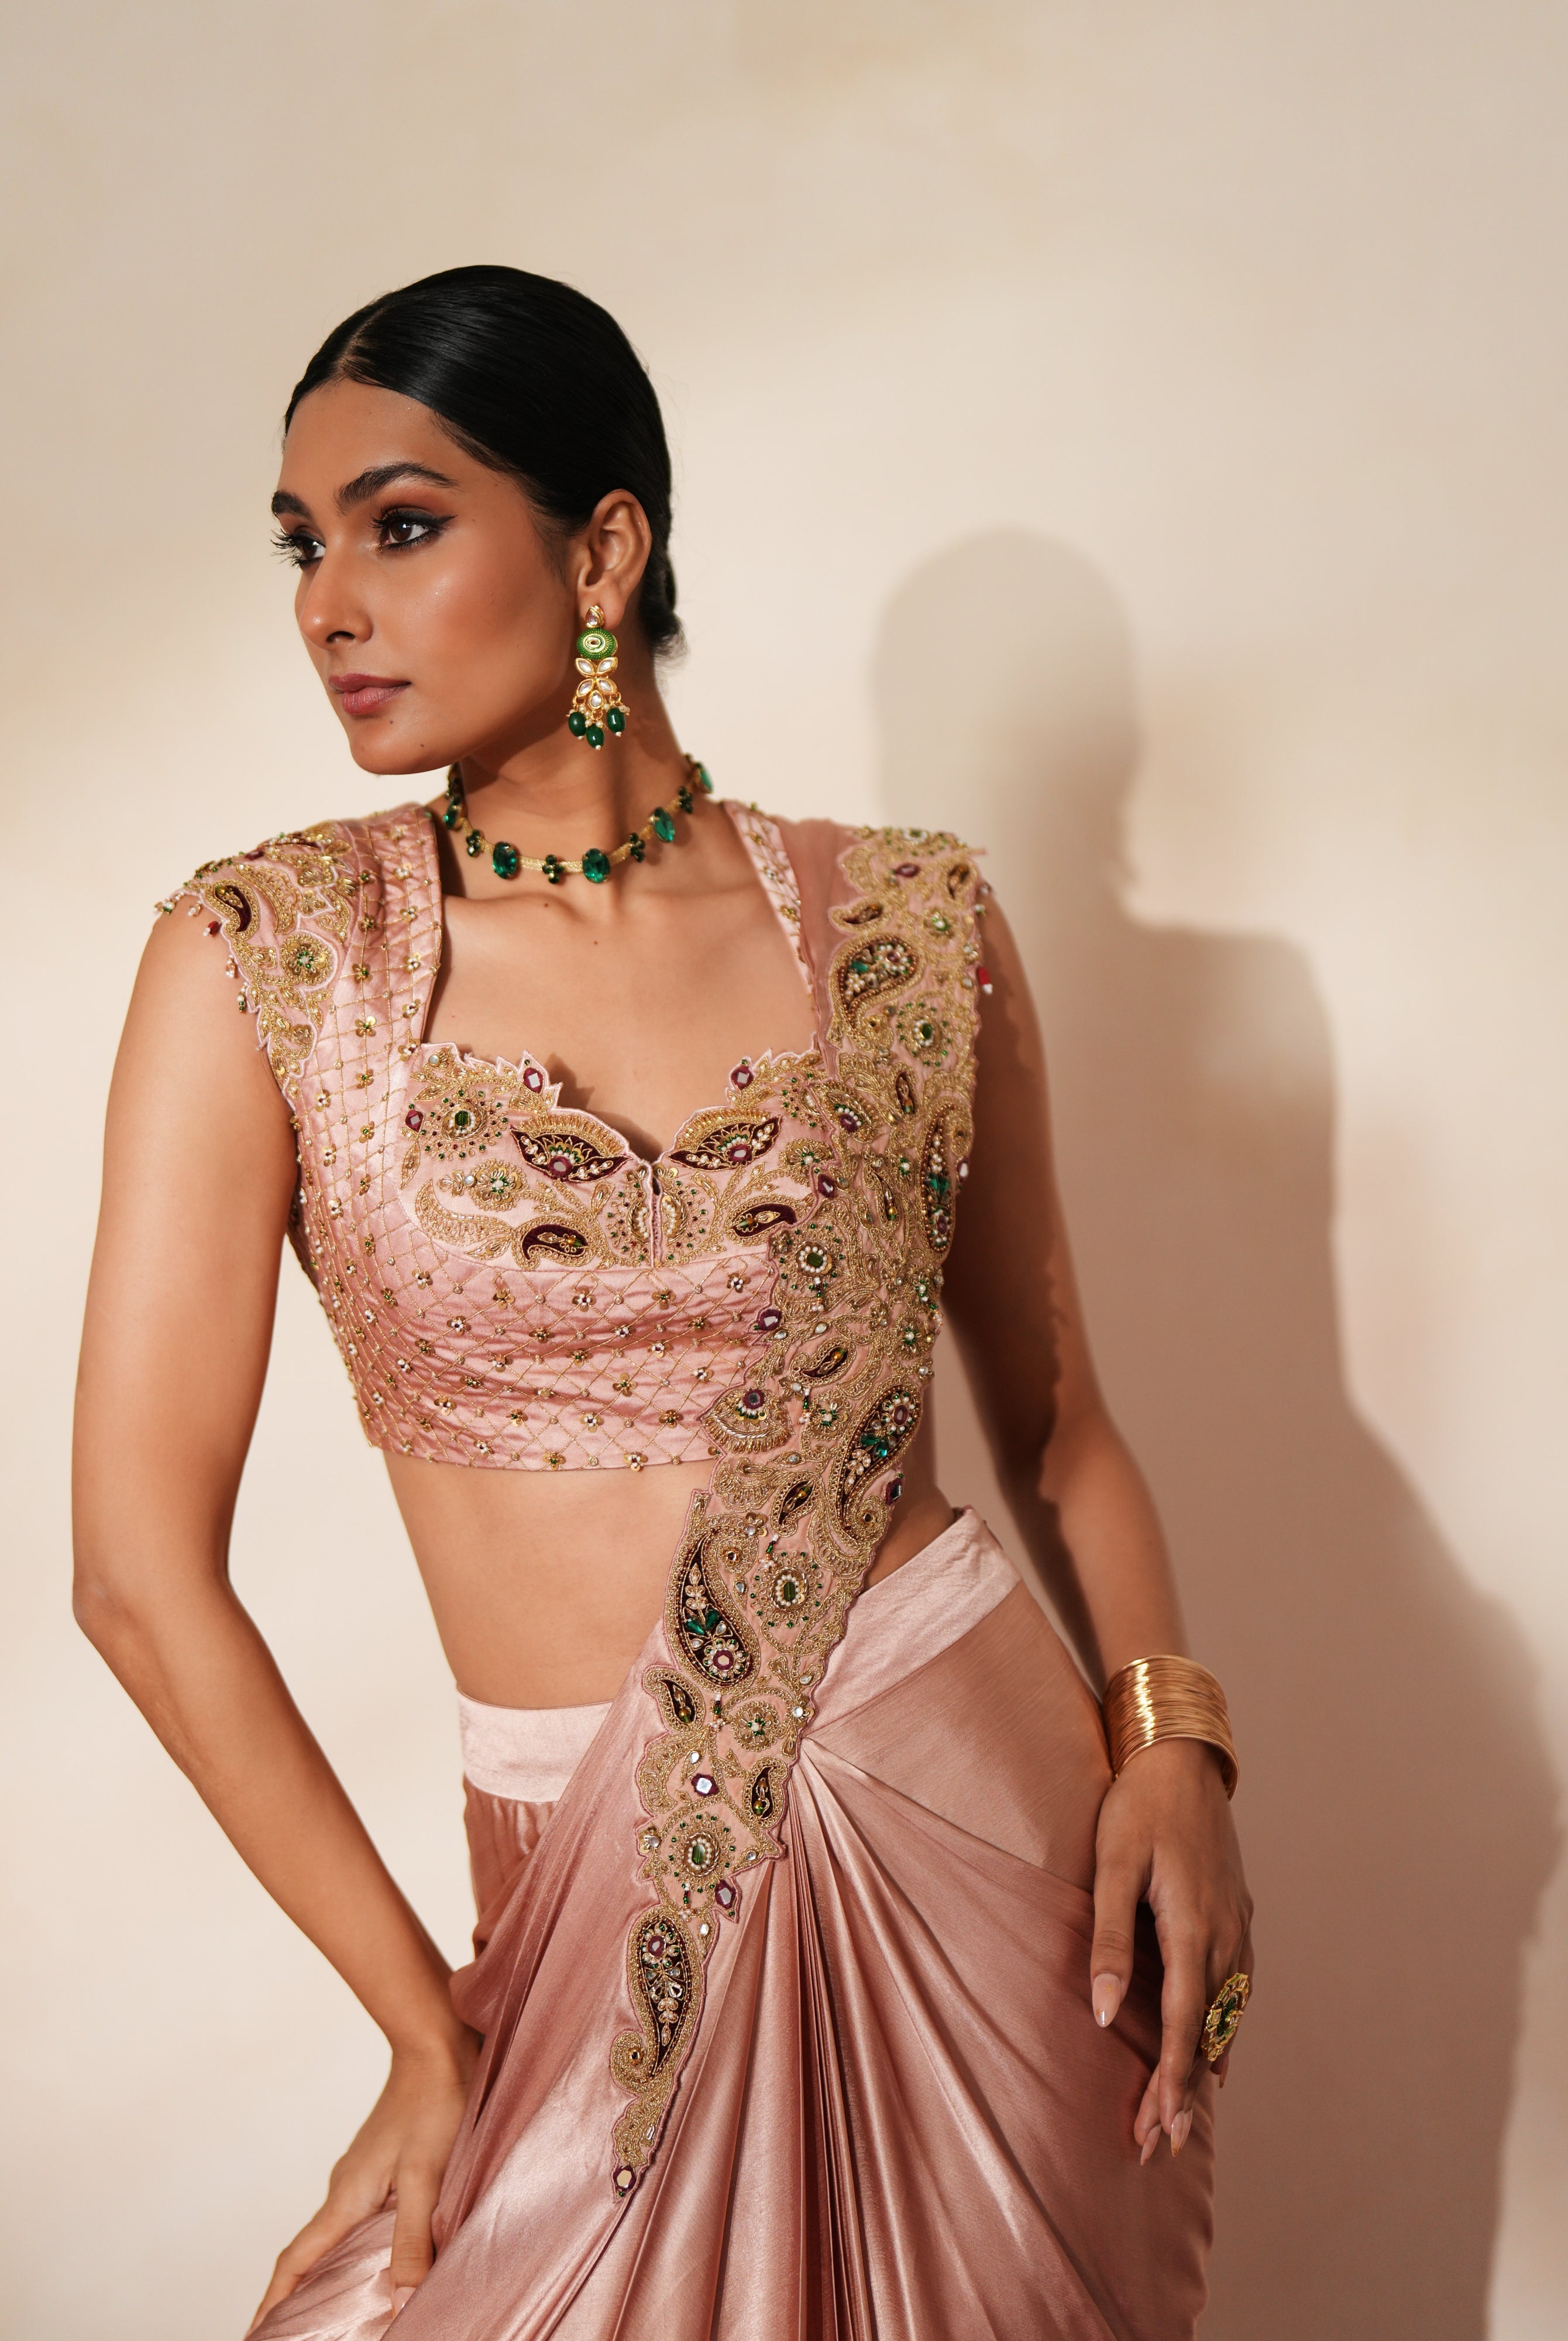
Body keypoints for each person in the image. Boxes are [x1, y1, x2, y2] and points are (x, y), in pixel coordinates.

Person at [73, 265, 1253, 2340]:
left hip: (989, 1867)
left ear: (601, 544)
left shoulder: (911, 926)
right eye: (304, 542)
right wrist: (423, 2029)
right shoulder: (264, 957)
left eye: (402, 523)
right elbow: (138, 1578)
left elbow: (1055, 1418)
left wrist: (1173, 1741)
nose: (329, 601)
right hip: (587, 1919)